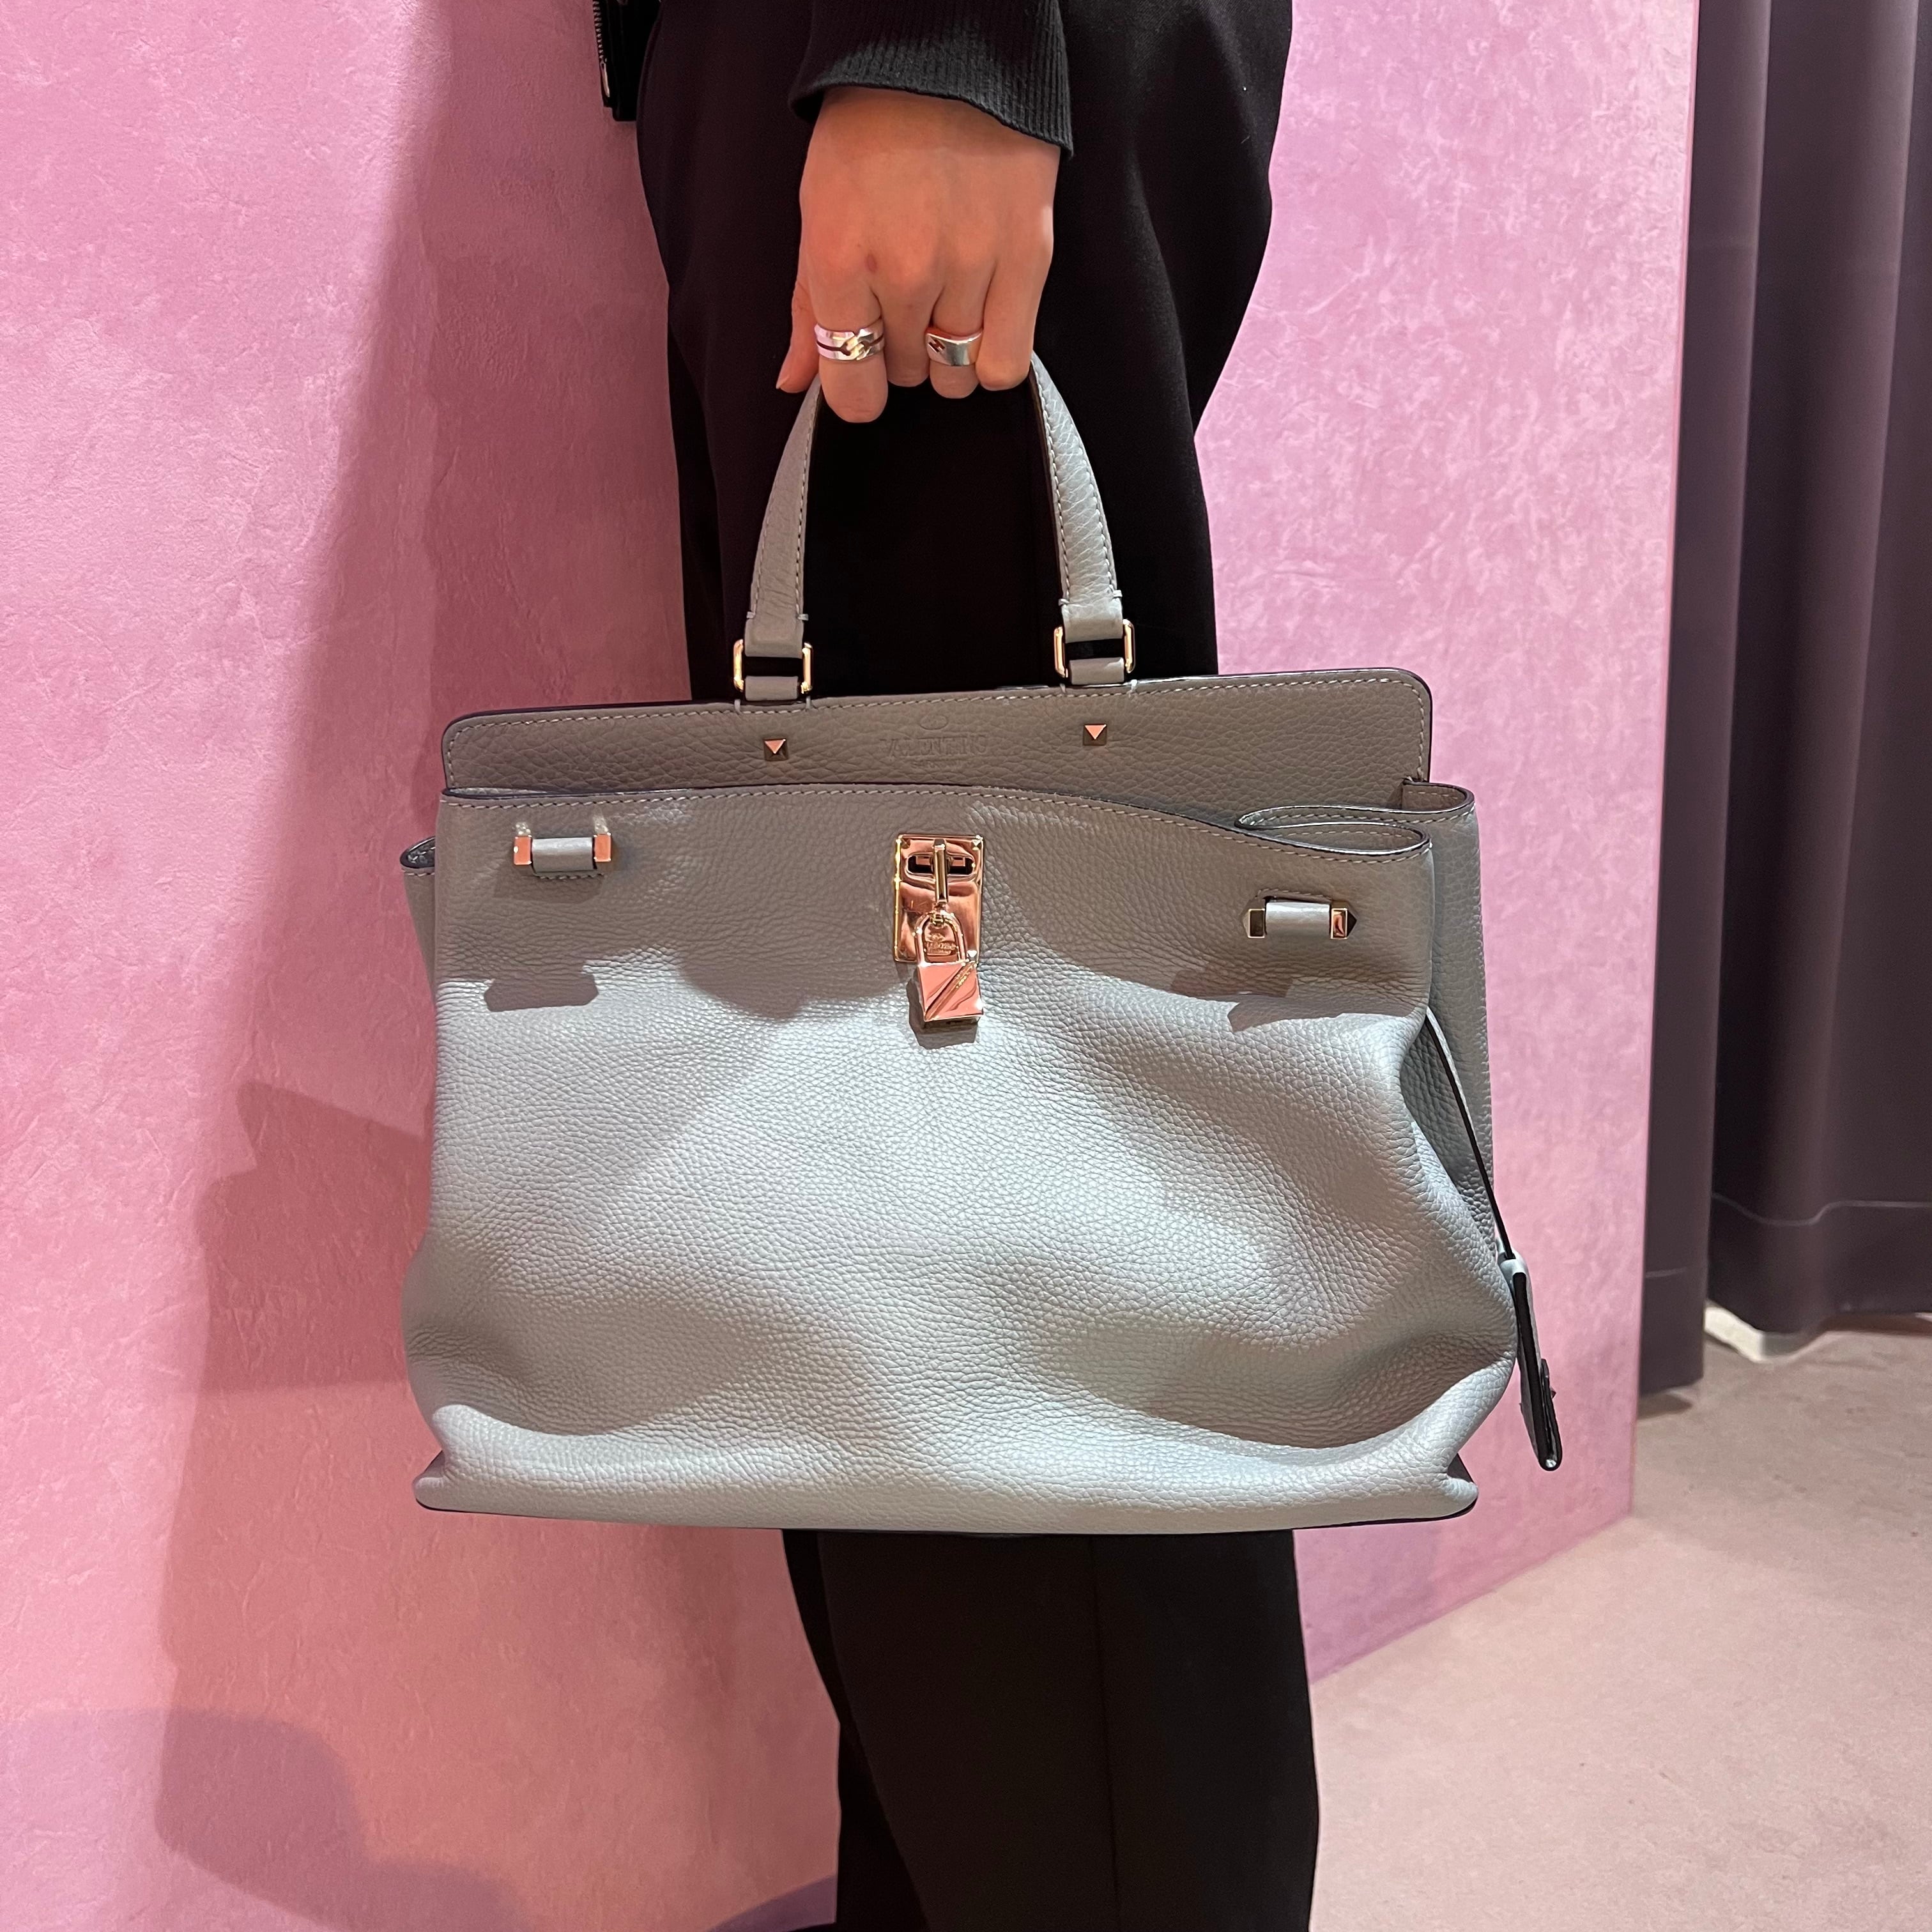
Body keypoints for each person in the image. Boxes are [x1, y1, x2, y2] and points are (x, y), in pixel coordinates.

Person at [632, 4, 1313, 1926]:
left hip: (918, 53)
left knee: (1022, 1303)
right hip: (812, 62)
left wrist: (942, 37)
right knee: (883, 1291)